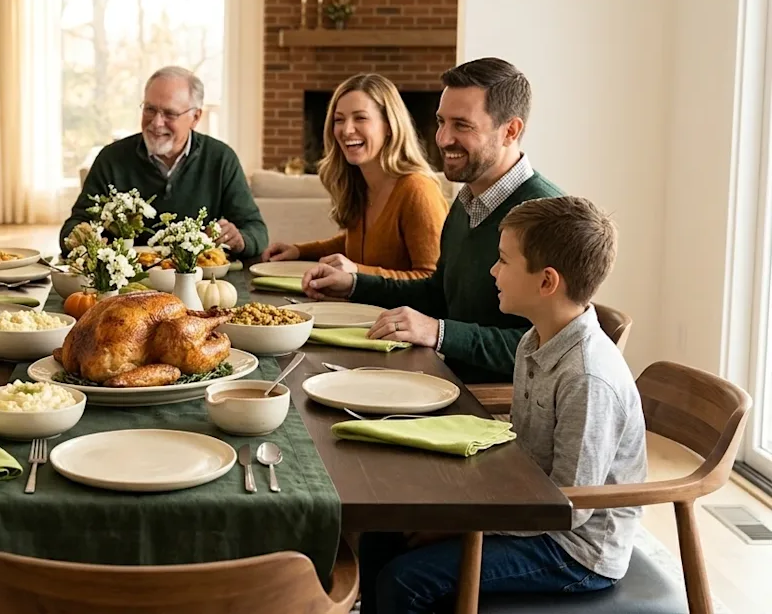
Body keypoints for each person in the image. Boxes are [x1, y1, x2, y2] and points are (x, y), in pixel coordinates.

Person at [359, 196, 646, 613]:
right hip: (528, 514)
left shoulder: (586, 378)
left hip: (573, 552)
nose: (493, 271)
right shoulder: (535, 338)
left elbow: (569, 509)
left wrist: (464, 524)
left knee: (405, 581)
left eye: (504, 261)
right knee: (380, 535)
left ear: (546, 282)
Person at [302, 57, 564, 384]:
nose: (442, 138)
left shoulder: (548, 216)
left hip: (490, 406)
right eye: (441, 122)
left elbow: (546, 349)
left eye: (461, 125)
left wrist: (439, 332)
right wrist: (355, 284)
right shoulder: (466, 201)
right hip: (440, 380)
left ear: (510, 130)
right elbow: (436, 293)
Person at [59, 66, 269, 260]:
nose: (156, 123)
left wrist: (240, 239)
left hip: (198, 283)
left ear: (195, 117)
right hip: (125, 283)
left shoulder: (221, 158)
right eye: (150, 109)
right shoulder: (111, 158)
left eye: (169, 113)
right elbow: (73, 227)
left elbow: (256, 231)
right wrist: (82, 237)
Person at [261, 73, 448, 279]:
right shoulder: (360, 184)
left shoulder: (418, 190)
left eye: (360, 118)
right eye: (339, 120)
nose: (347, 130)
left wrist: (358, 272)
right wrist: (299, 251)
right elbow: (357, 244)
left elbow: (433, 281)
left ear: (389, 125)